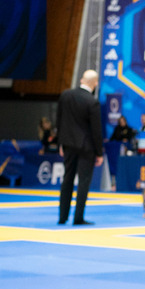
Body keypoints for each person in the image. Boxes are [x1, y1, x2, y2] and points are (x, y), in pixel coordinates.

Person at [56, 70, 103, 226]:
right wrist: (99, 152)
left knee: (67, 179)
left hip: (68, 144)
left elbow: (59, 120)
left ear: (82, 80)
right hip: (86, 147)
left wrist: (60, 143)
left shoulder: (66, 95)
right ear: (95, 83)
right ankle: (78, 217)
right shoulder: (92, 102)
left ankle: (62, 216)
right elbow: (96, 130)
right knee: (83, 182)